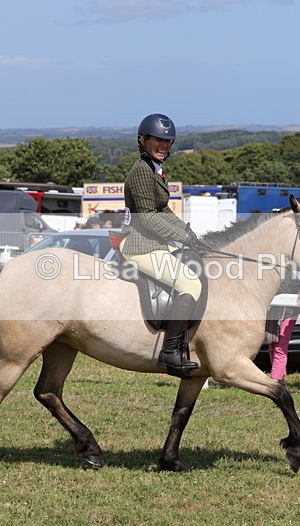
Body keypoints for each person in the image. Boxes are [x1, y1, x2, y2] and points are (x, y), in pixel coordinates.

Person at [119, 113, 203, 378]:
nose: (164, 146)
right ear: (143, 141)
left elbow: (163, 208)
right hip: (141, 246)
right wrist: (183, 237)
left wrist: (188, 232)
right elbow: (149, 218)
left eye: (168, 141)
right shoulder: (142, 171)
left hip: (156, 244)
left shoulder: (154, 169)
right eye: (158, 140)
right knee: (191, 284)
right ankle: (169, 352)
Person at [265, 267, 300, 387]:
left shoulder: (287, 275)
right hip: (276, 310)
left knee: (280, 346)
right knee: (272, 345)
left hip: (290, 311)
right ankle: (280, 380)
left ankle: (275, 381)